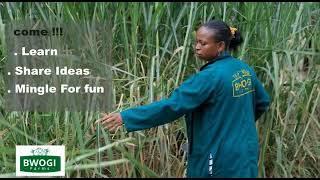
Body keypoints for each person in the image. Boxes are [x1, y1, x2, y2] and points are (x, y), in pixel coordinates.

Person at [96, 20, 271, 178]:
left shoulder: (209, 77)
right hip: (245, 153)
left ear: (220, 46)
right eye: (196, 42)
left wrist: (126, 117)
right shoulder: (243, 69)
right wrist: (236, 126)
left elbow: (172, 106)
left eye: (203, 43)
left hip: (218, 158)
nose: (197, 47)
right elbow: (263, 102)